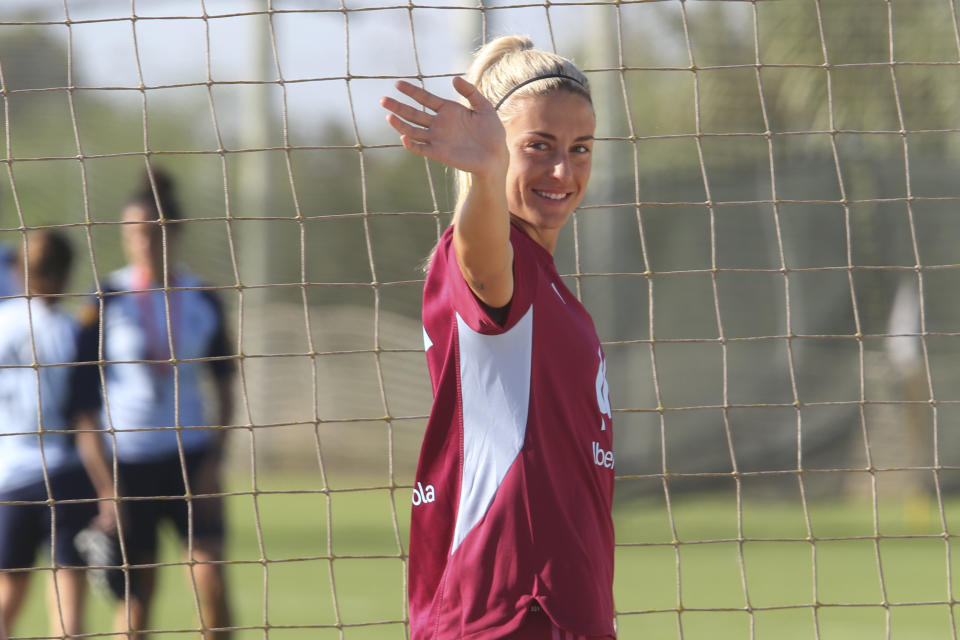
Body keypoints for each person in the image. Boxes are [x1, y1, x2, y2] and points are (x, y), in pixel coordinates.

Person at [381, 36, 616, 639]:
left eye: (580, 148)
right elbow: (483, 262)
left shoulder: (557, 292)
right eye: (537, 147)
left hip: (564, 602)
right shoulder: (491, 256)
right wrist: (486, 177)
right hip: (510, 604)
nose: (562, 170)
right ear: (494, 147)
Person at [78, 168, 235, 640]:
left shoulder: (202, 296)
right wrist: (104, 484)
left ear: (173, 232)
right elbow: (81, 403)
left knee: (211, 581)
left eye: (151, 233)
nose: (141, 243)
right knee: (136, 600)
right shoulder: (106, 299)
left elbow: (225, 384)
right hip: (128, 464)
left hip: (191, 460)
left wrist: (214, 460)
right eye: (132, 233)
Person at [0, 229, 115, 638]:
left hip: (8, 480)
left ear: (17, 270)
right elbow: (86, 420)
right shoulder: (71, 333)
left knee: (6, 598)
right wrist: (107, 489)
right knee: (67, 612)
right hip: (64, 476)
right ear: (65, 275)